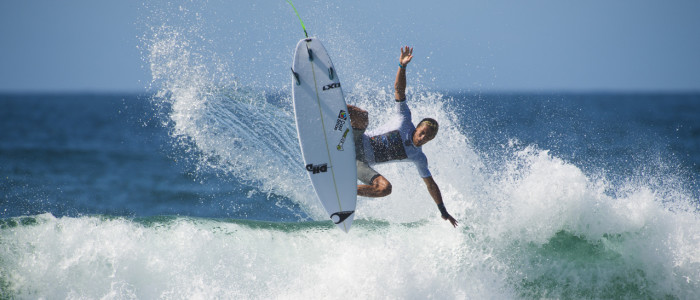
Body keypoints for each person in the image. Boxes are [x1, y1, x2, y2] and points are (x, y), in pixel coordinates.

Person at [348, 46, 458, 227]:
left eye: (427, 137)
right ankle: (329, 110)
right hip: (356, 140)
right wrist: (402, 66)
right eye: (422, 132)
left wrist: (443, 211)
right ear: (417, 128)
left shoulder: (419, 157)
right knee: (363, 116)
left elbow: (430, 184)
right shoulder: (404, 119)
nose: (423, 138)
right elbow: (399, 90)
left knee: (385, 188)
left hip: (359, 163)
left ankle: (346, 192)